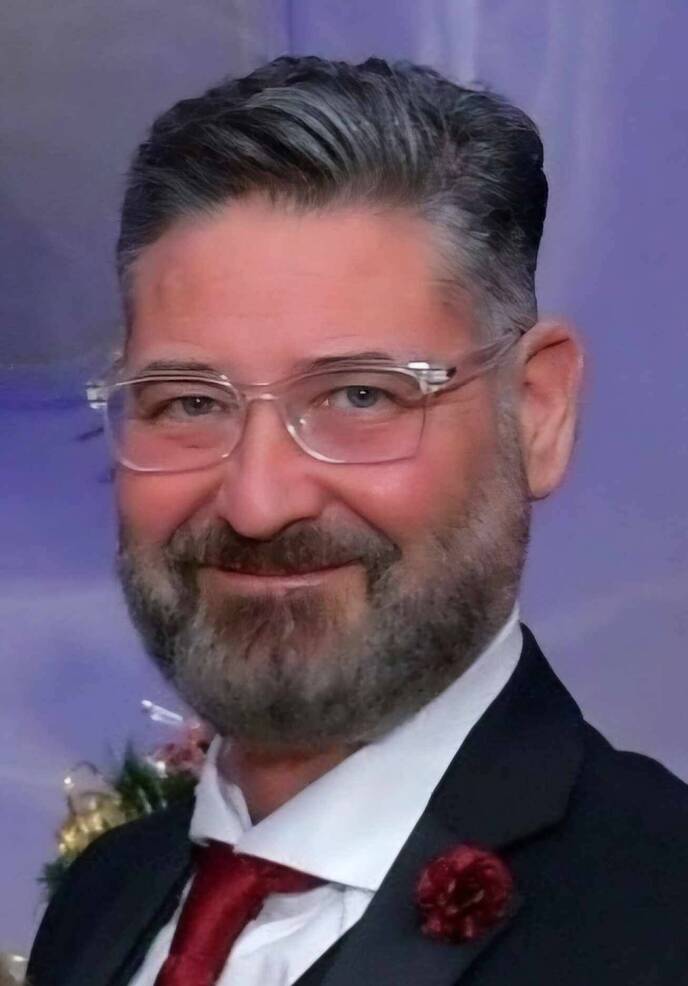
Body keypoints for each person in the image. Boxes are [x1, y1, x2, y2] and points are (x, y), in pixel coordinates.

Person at [28, 55, 688, 986]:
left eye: (360, 396)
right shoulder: (105, 897)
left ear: (535, 414)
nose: (259, 503)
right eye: (190, 402)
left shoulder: (661, 914)